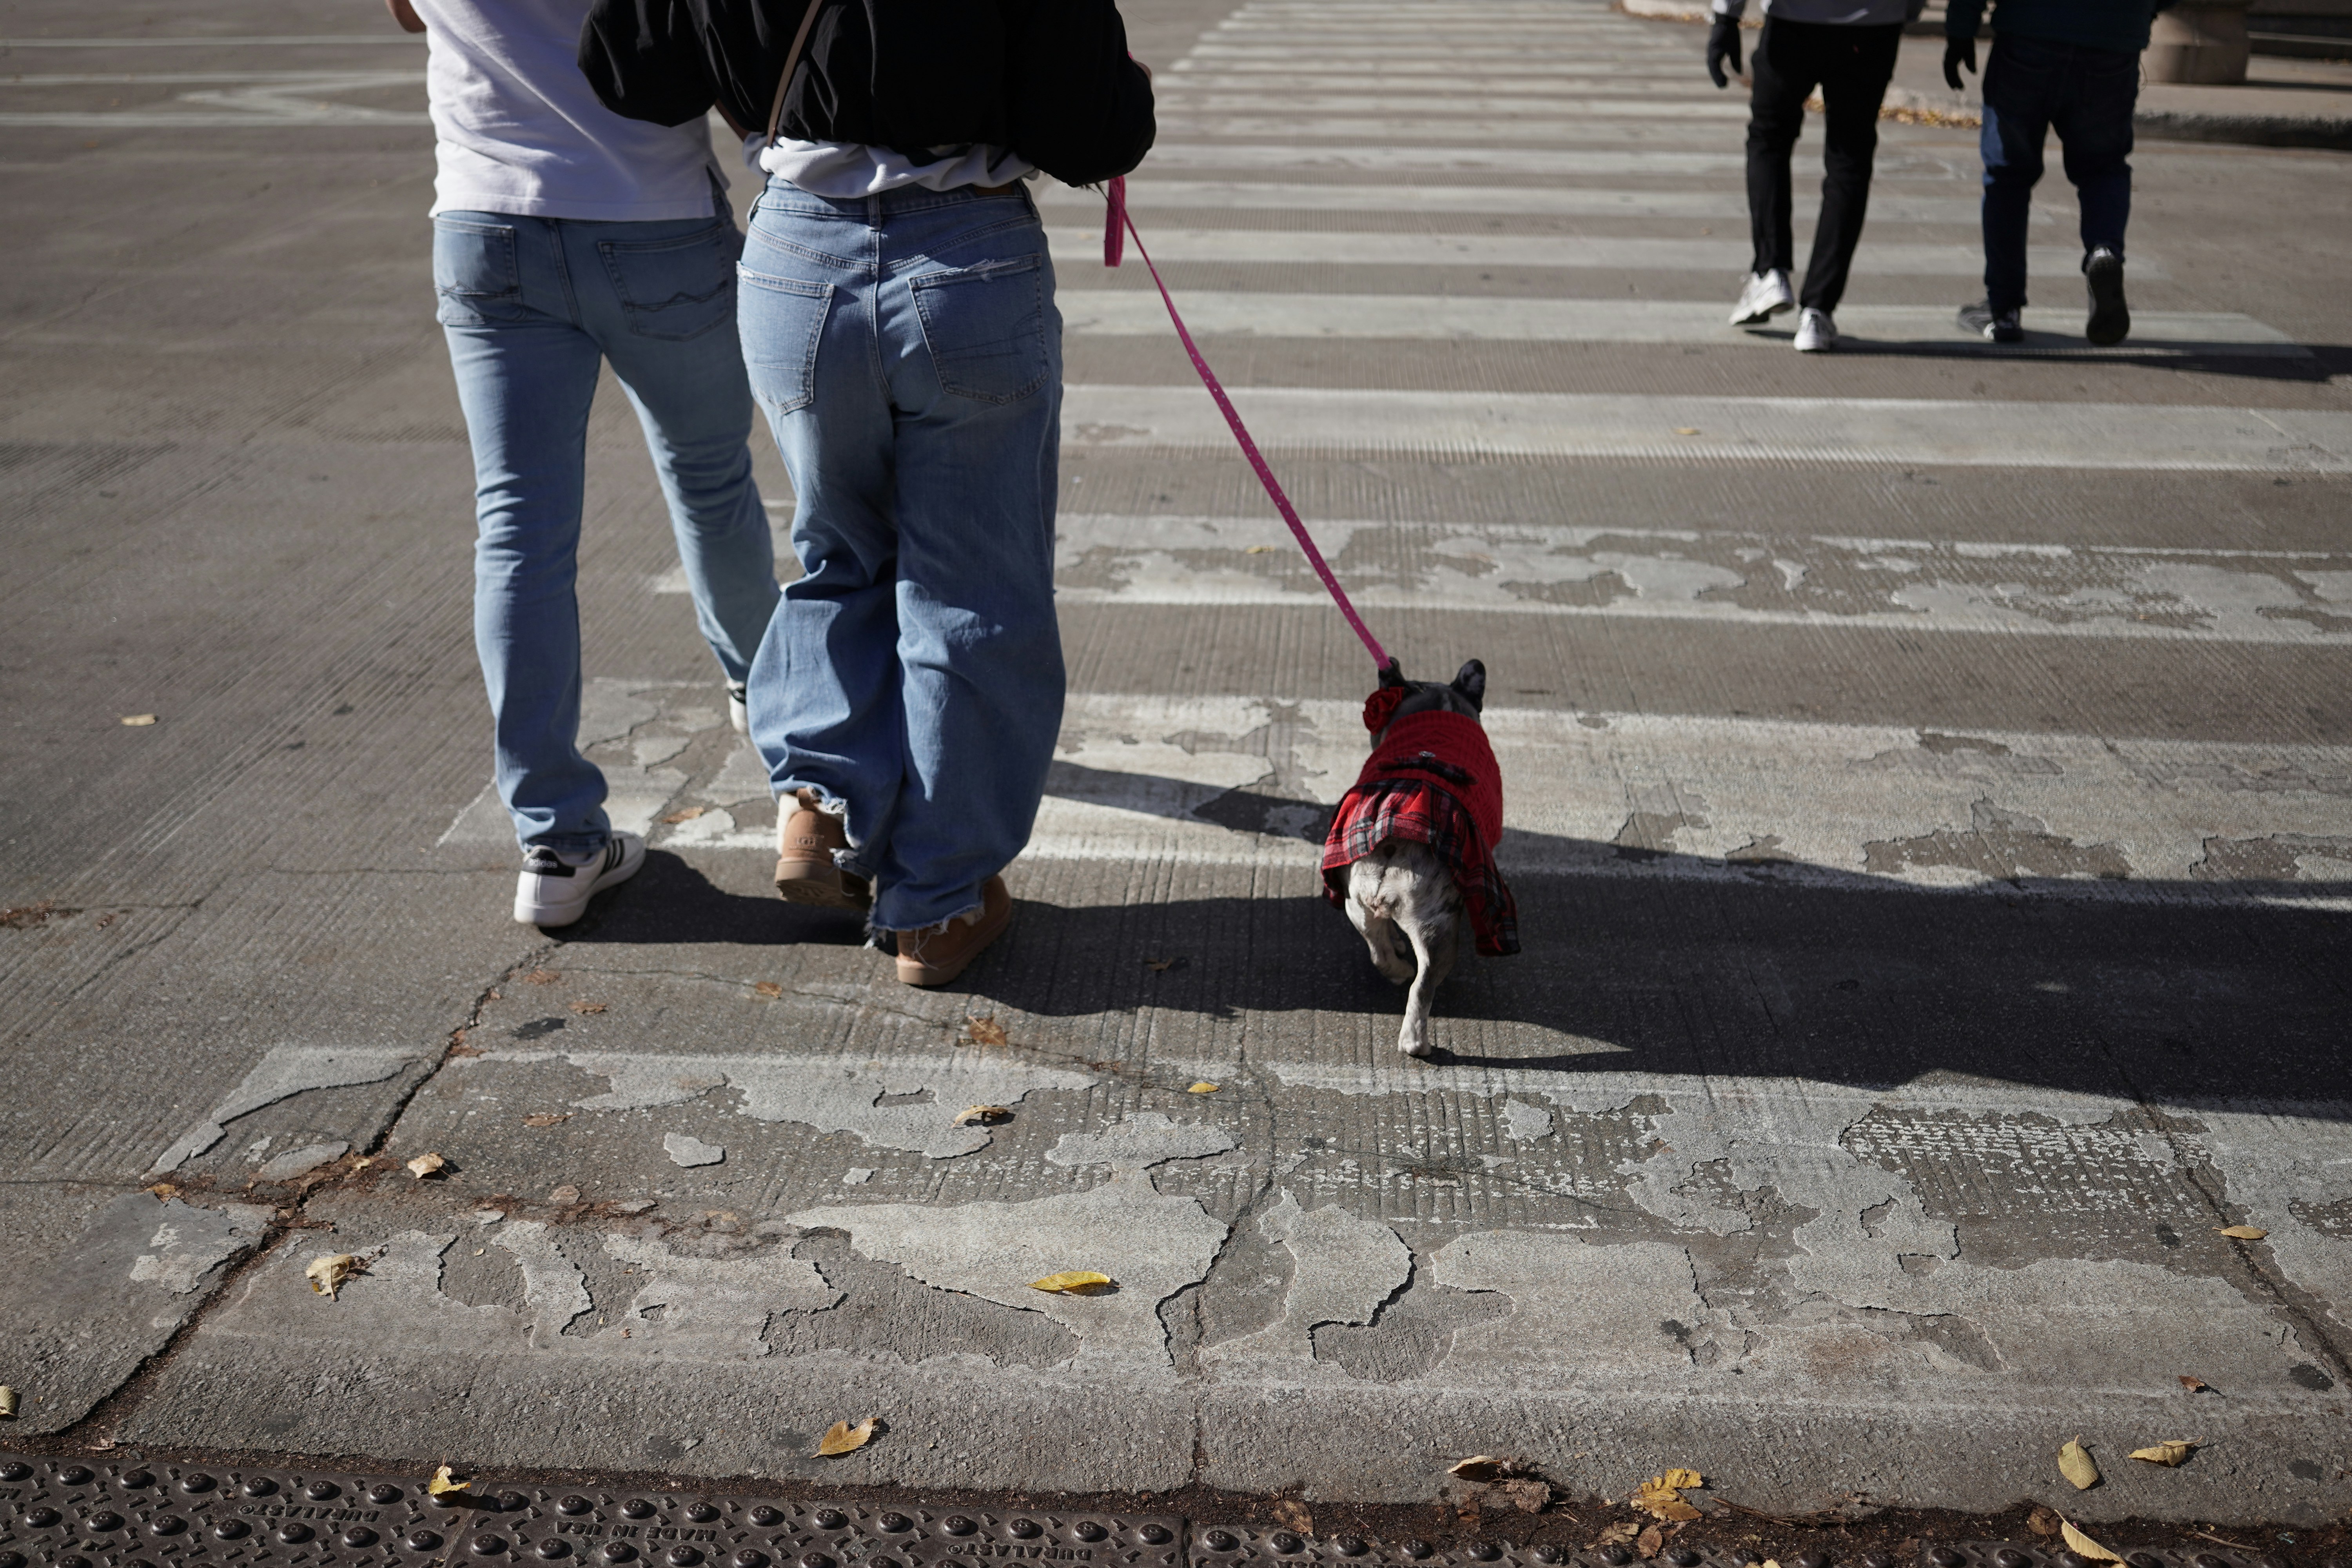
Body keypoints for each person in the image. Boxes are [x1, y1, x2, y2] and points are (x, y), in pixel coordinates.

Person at [582, 0, 1154, 985]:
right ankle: (938, 903)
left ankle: (822, 797)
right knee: (972, 586)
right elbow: (1092, 130)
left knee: (838, 548)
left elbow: (629, 65)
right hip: (966, 255)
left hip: (798, 259)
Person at [388, 0, 781, 929]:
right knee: (711, 478)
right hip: (656, 220)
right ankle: (773, 715)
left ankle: (556, 838)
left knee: (519, 525)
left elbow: (412, 16)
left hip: (490, 226)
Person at [1945, 0, 2173, 344]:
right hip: (2113, 38)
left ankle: (2004, 309)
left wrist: (1961, 30)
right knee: (2103, 166)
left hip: (2029, 32)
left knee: (2008, 176)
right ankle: (2104, 250)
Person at [1710, 0, 1923, 353]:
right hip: (1874, 23)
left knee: (1770, 138)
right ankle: (1818, 310)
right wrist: (1906, 11)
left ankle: (1770, 270)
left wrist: (1726, 16)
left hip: (1795, 19)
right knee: (1849, 159)